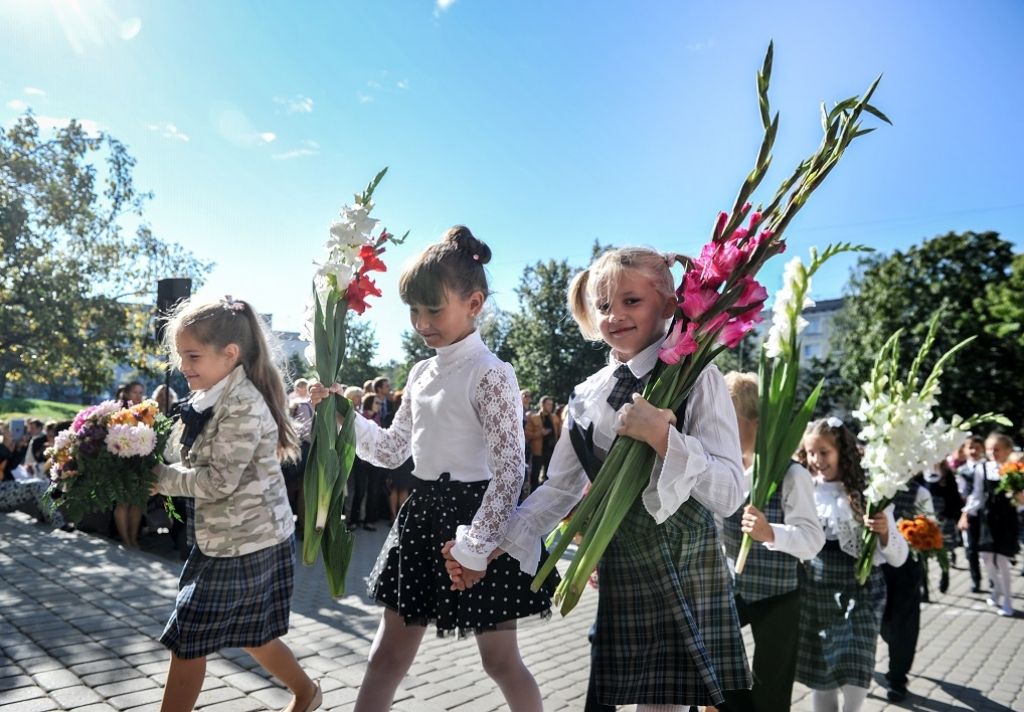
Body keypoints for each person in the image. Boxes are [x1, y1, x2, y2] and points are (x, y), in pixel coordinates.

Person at [480, 246, 750, 711]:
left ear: (668, 305)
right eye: (604, 305)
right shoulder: (587, 395)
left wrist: (666, 438)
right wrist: (496, 540)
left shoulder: (698, 376)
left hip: (685, 561)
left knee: (662, 705)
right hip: (623, 559)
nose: (614, 316)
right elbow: (561, 486)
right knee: (606, 694)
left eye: (631, 301)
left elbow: (730, 492)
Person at [311, 226, 554, 712]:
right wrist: (344, 415)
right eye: (413, 310)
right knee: (385, 657)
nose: (421, 322)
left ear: (475, 302)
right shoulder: (420, 373)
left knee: (500, 661)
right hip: (422, 518)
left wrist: (475, 545)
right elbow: (391, 450)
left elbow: (510, 470)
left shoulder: (491, 372)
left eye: (433, 309)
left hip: (478, 518)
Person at [151, 296, 320, 712]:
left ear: (230, 354)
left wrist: (157, 480)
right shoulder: (207, 395)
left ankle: (306, 692)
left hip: (250, 540)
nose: (184, 365)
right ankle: (307, 692)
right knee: (253, 634)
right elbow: (185, 457)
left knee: (188, 637)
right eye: (180, 356)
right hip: (226, 538)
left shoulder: (243, 403)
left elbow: (219, 482)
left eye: (192, 355)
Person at [720, 372, 825, 712]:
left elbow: (812, 540)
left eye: (728, 419)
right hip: (732, 587)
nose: (718, 426)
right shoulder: (725, 469)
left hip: (778, 594)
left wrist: (771, 533)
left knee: (771, 691)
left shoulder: (792, 474)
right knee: (709, 660)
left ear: (757, 422)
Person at [796, 418, 908, 712]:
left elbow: (899, 556)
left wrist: (884, 531)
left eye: (824, 452)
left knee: (856, 661)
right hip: (816, 589)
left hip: (862, 591)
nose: (816, 460)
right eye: (811, 453)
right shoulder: (802, 490)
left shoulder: (869, 493)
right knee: (824, 670)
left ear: (841, 451)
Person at [879, 472, 934, 702]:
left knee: (904, 624)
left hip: (907, 568)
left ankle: (897, 678)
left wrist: (915, 532)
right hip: (878, 565)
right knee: (884, 623)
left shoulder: (919, 492)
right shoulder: (876, 487)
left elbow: (930, 527)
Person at [960, 433, 1020, 617]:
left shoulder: (1016, 469)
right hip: (988, 519)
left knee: (1002, 560)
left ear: (1007, 450)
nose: (993, 453)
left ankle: (1008, 600)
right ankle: (996, 589)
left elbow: (1020, 499)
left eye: (997, 449)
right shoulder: (983, 468)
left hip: (1007, 519)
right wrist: (966, 514)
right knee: (986, 558)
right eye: (990, 449)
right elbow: (977, 494)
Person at [956, 435, 987, 592]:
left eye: (977, 447)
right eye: (970, 447)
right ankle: (976, 579)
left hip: (986, 513)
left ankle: (994, 579)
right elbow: (961, 492)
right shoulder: (962, 470)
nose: (974, 451)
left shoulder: (988, 467)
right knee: (971, 548)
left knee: (987, 547)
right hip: (968, 514)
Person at [525, 395, 561, 493]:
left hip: (551, 452)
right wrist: (540, 433)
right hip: (538, 452)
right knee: (534, 476)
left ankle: (545, 496)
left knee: (548, 476)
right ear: (542, 405)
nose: (550, 406)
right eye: (548, 404)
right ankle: (531, 496)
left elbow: (559, 433)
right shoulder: (534, 418)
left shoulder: (555, 418)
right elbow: (527, 435)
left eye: (551, 404)